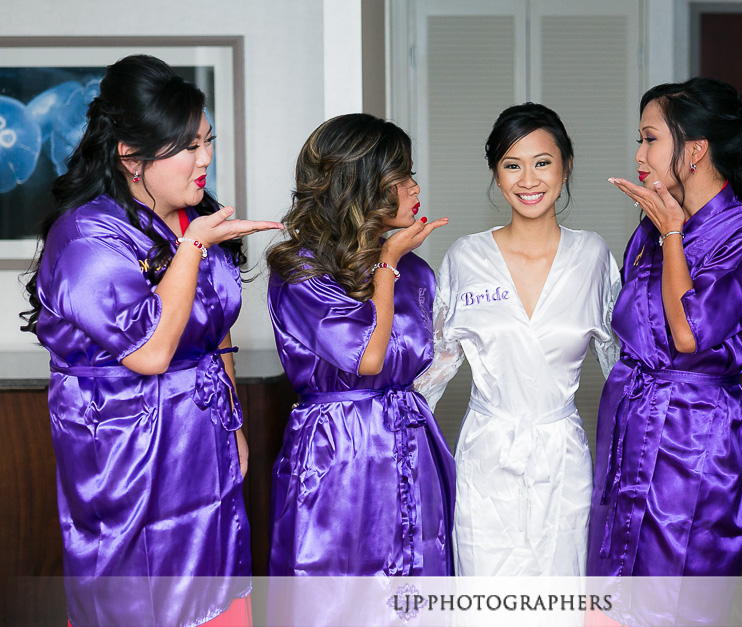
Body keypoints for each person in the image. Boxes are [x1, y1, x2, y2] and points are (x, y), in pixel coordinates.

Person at [20, 54, 282, 627]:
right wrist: (192, 252)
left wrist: (233, 424)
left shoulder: (191, 218)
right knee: (138, 597)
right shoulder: (87, 236)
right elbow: (152, 351)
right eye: (188, 147)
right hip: (127, 444)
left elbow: (216, 332)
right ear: (131, 156)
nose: (206, 158)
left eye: (207, 141)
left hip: (202, 435)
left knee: (215, 583)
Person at [588, 78, 742, 585]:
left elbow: (690, 331)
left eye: (650, 139)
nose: (639, 153)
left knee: (676, 585)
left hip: (694, 434)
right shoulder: (650, 229)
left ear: (695, 149)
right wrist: (666, 229)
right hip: (633, 415)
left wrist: (673, 233)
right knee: (614, 582)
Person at [415, 102, 620, 576]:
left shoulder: (592, 256)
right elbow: (433, 371)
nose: (528, 180)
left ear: (566, 167)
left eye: (542, 162)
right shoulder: (467, 257)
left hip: (562, 460)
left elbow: (622, 368)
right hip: (486, 461)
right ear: (496, 173)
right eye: (512, 165)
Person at [266, 114, 454, 589]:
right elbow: (368, 357)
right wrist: (387, 265)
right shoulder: (302, 269)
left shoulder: (417, 272)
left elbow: (418, 360)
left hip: (409, 441)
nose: (415, 187)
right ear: (362, 185)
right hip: (340, 450)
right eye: (401, 176)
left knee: (417, 578)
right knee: (338, 585)